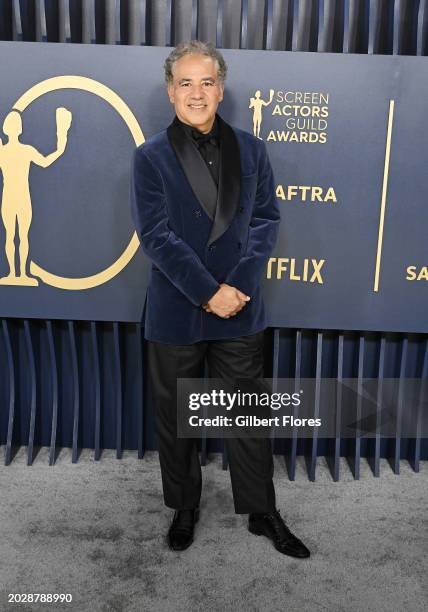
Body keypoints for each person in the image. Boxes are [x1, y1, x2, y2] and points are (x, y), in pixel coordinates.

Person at [130, 40, 310, 558]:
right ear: (170, 92)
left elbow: (265, 221)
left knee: (247, 416)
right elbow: (157, 236)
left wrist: (237, 289)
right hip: (177, 311)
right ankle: (185, 506)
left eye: (206, 82)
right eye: (185, 83)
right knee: (177, 417)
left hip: (240, 306)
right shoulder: (149, 157)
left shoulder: (252, 149)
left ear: (221, 89)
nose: (196, 92)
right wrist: (209, 292)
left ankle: (262, 511)